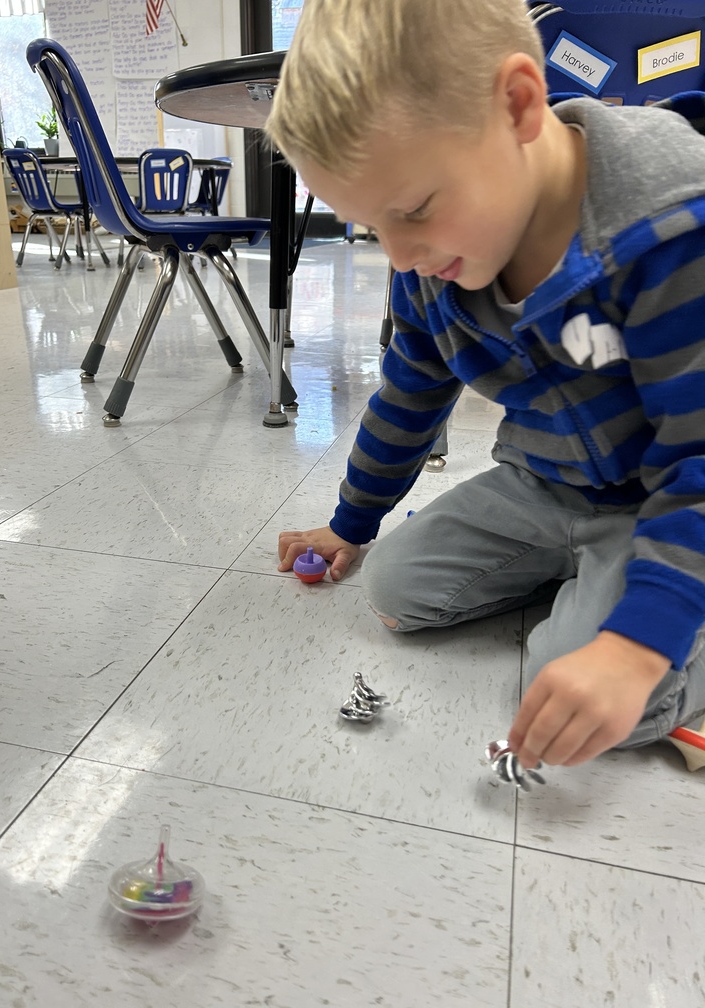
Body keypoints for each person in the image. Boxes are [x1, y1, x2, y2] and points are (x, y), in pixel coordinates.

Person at [265, 0, 705, 771]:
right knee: (396, 590)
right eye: (371, 228)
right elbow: (408, 395)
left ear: (518, 105)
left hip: (665, 493)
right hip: (544, 484)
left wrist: (633, 653)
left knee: (584, 693)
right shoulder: (433, 264)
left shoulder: (670, 228)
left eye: (413, 211)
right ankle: (596, 585)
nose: (399, 257)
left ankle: (653, 613)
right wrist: (351, 524)